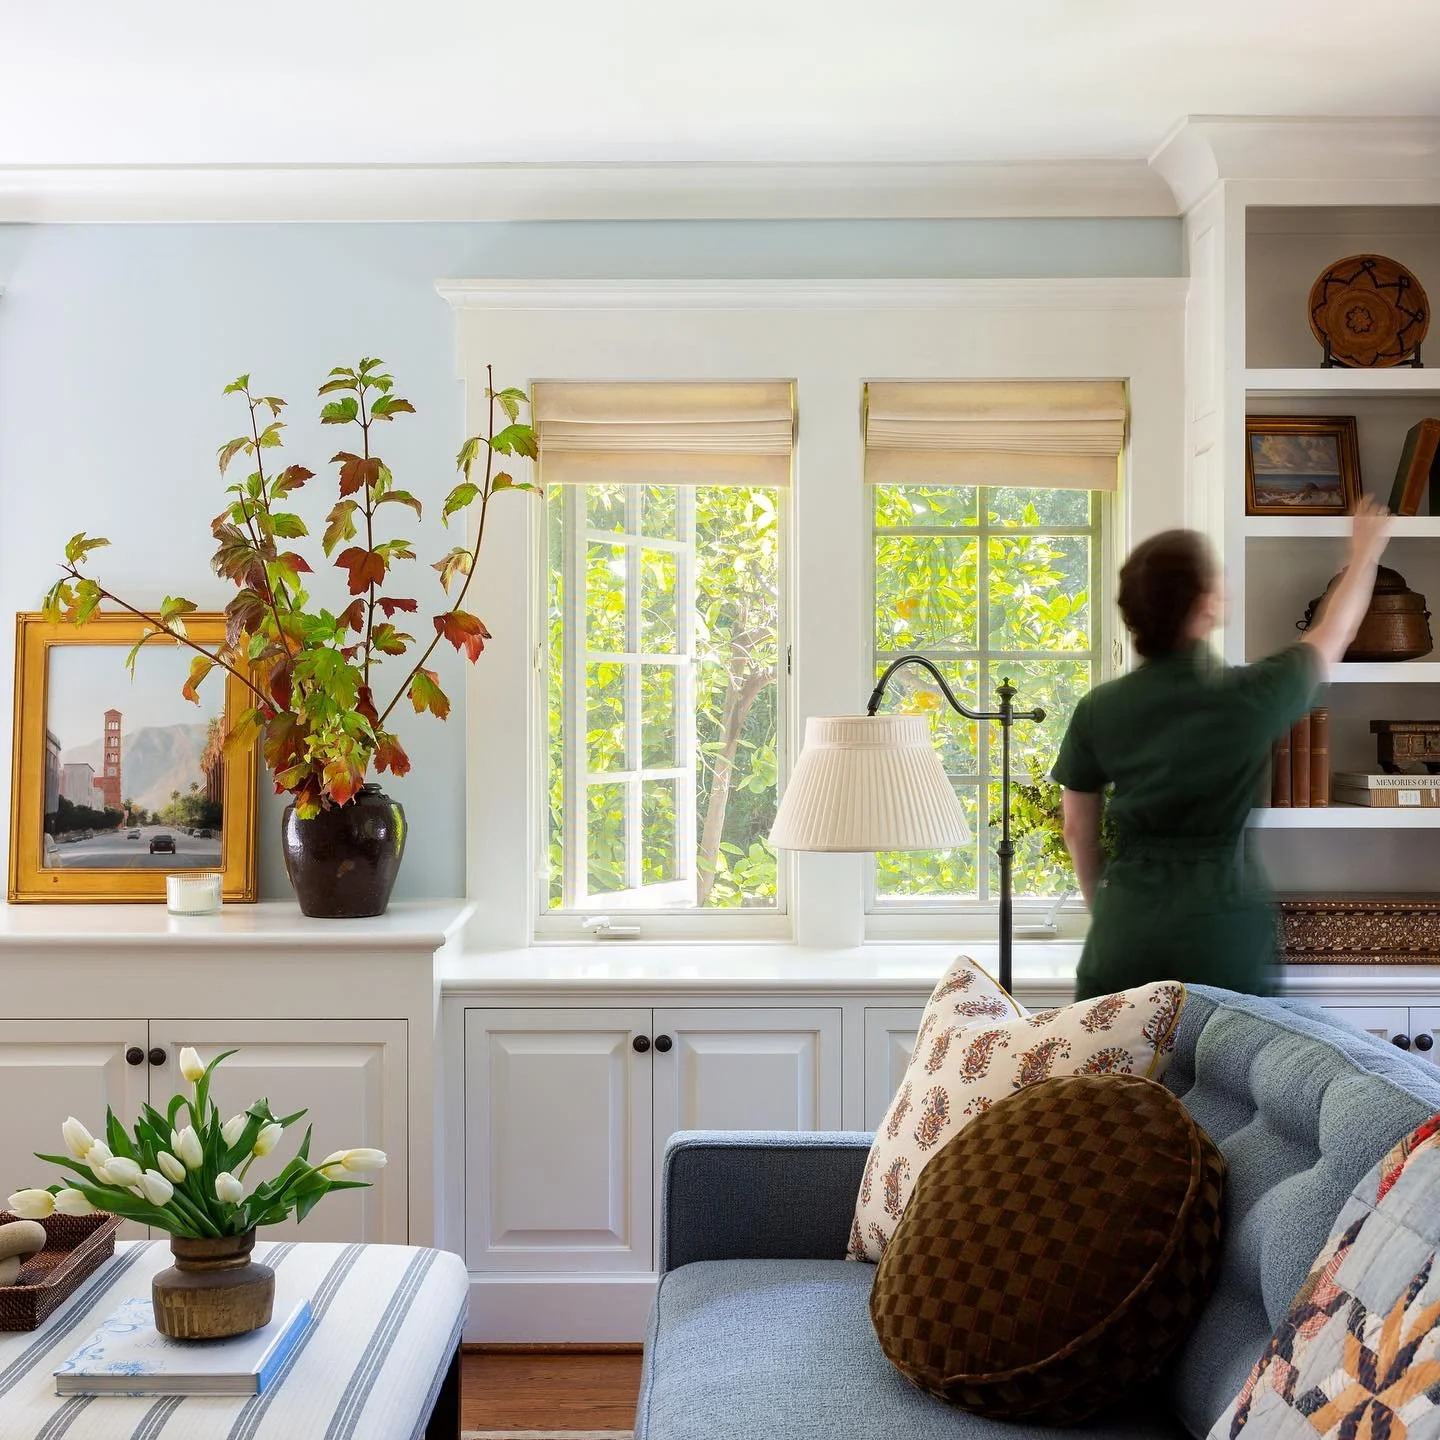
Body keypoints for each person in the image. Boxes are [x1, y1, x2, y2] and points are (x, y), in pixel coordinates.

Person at [1053, 497, 1393, 1001]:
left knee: (1116, 1081)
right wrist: (1365, 554)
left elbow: (1078, 831)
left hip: (1125, 933)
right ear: (1206, 603)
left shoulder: (1097, 708)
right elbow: (1333, 634)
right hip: (1219, 935)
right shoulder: (1248, 696)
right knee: (1227, 1077)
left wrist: (1109, 911)